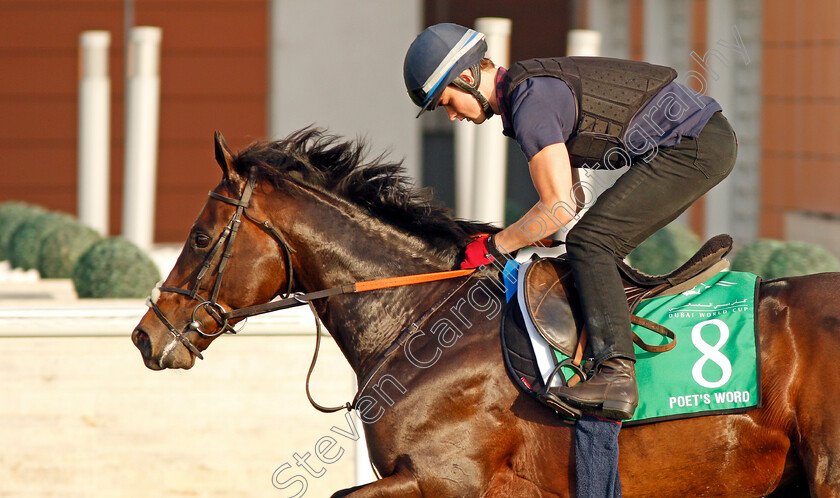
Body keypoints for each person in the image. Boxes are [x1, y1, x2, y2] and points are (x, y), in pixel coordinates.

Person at [403, 23, 737, 421]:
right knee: (586, 240)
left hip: (695, 145)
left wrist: (494, 247)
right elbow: (572, 198)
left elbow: (558, 208)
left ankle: (617, 375)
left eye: (448, 102)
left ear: (466, 76)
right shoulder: (528, 93)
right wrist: (532, 234)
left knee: (592, 243)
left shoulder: (530, 103)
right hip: (697, 140)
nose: (454, 116)